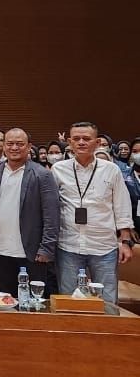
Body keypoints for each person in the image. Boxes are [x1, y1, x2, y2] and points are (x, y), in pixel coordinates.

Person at [51, 122, 133, 304]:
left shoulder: (111, 169)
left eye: (86, 139)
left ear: (97, 143)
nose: (81, 142)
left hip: (103, 246)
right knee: (69, 301)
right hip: (68, 245)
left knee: (107, 302)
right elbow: (50, 207)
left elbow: (122, 206)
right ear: (69, 143)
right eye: (76, 139)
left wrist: (125, 241)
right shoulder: (58, 169)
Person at [0, 128, 60, 297]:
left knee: (34, 302)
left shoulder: (42, 175)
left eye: (19, 144)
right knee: (7, 300)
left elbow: (52, 215)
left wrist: (46, 248)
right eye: (10, 143)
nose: (14, 148)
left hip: (32, 253)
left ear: (29, 147)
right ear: (4, 146)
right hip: (1, 252)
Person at [122, 137, 140, 234]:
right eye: (135, 151)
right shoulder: (124, 175)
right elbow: (120, 204)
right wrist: (129, 227)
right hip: (133, 225)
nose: (138, 154)